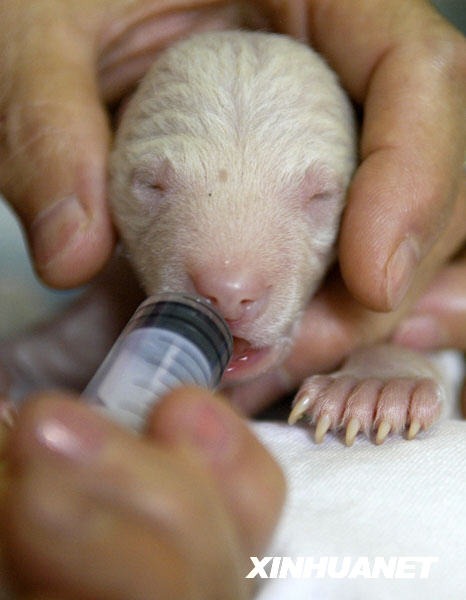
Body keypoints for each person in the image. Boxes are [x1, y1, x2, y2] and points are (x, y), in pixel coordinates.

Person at [0, 0, 464, 597]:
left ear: (361, 196)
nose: (231, 284)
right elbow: (26, 359)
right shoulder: (110, 307)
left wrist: (384, 370)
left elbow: (432, 376)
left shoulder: (366, 294)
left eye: (319, 198)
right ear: (104, 165)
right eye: (152, 187)